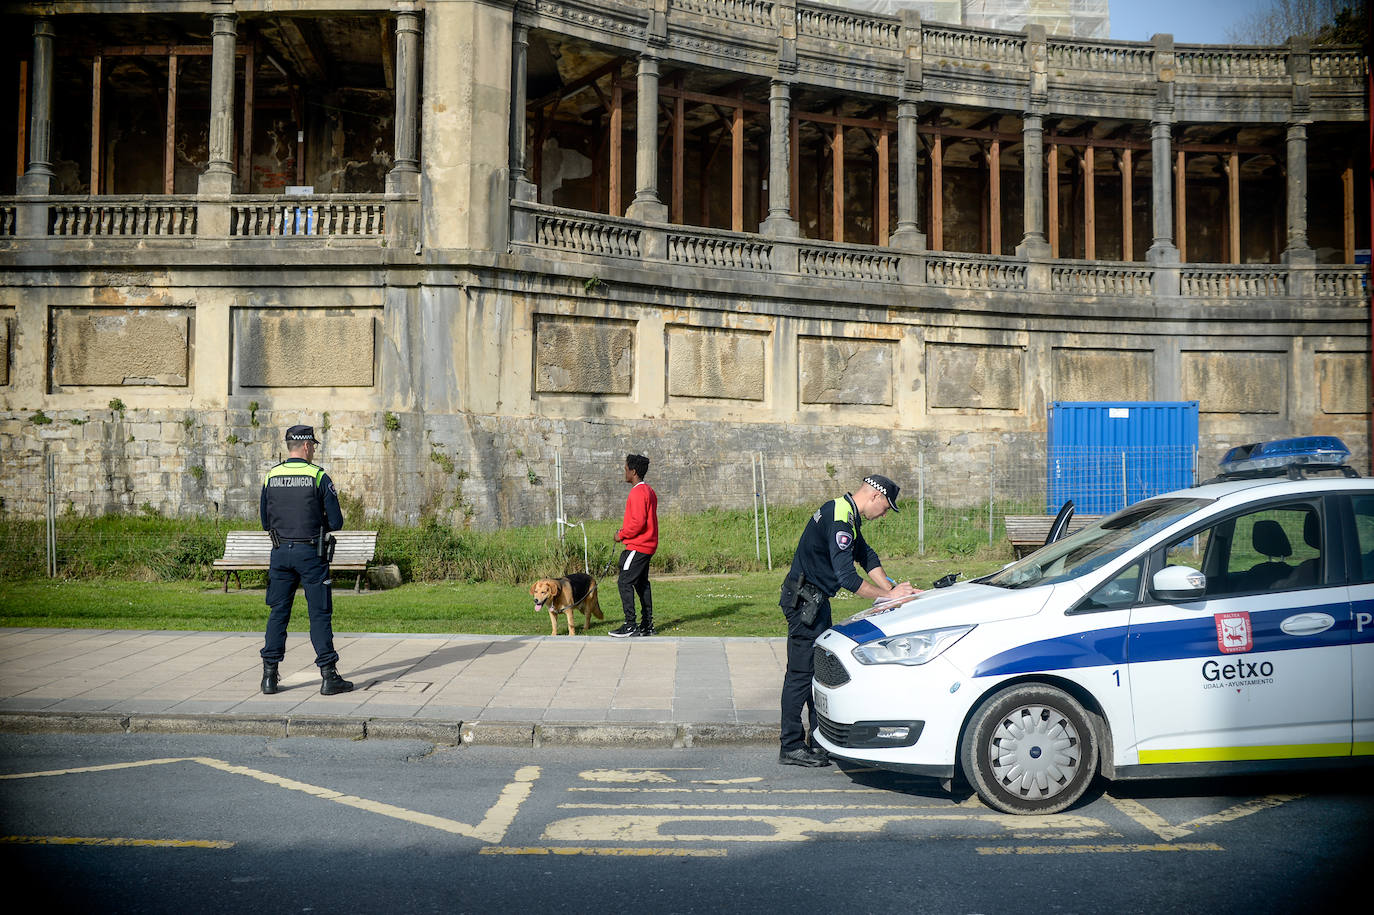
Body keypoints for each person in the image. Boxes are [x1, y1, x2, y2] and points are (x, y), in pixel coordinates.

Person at [777, 474, 918, 766]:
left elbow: (865, 555)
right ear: (875, 497)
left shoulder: (846, 511)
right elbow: (848, 578)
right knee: (800, 676)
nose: (885, 514)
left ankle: (817, 739)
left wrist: (891, 590)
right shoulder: (841, 520)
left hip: (814, 600)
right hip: (805, 603)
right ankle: (790, 745)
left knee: (817, 674)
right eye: (887, 507)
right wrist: (888, 597)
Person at [258, 424, 354, 696]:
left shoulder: (271, 476)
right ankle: (328, 675)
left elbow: (265, 521)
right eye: (313, 446)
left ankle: (269, 675)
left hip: (280, 553)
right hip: (311, 553)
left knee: (278, 613)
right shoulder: (318, 476)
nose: (313, 450)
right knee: (319, 614)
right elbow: (336, 522)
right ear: (307, 446)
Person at [609, 453, 658, 637]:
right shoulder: (649, 491)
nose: (625, 472)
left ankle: (630, 625)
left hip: (639, 545)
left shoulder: (637, 492)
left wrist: (620, 535)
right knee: (641, 583)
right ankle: (647, 625)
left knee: (624, 581)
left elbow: (638, 523)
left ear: (633, 471)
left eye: (626, 469)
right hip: (649, 544)